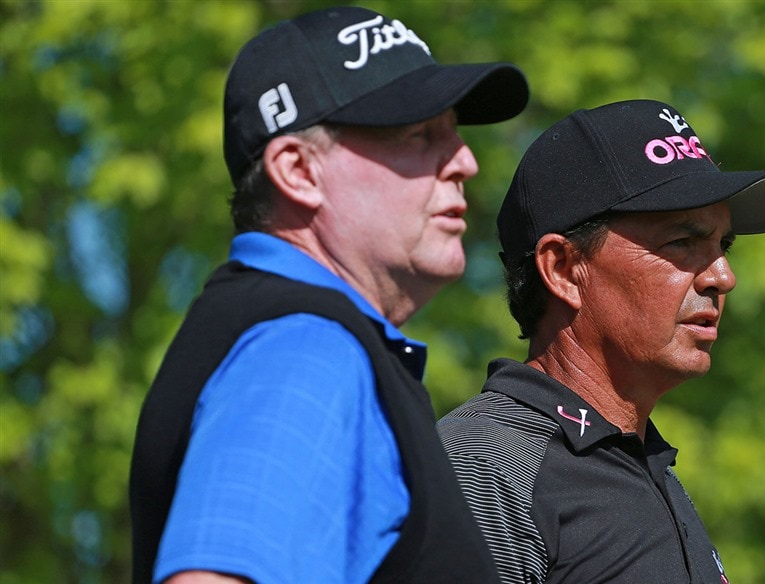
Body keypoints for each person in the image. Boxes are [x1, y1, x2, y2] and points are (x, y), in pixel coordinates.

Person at [129, 6, 528, 584]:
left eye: (455, 132)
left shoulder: (286, 334)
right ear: (298, 171)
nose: (465, 160)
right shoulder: (305, 347)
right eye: (419, 134)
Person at [438, 99, 765, 584]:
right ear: (564, 269)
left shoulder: (645, 468)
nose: (723, 276)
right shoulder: (489, 465)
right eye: (681, 243)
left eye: (723, 246)